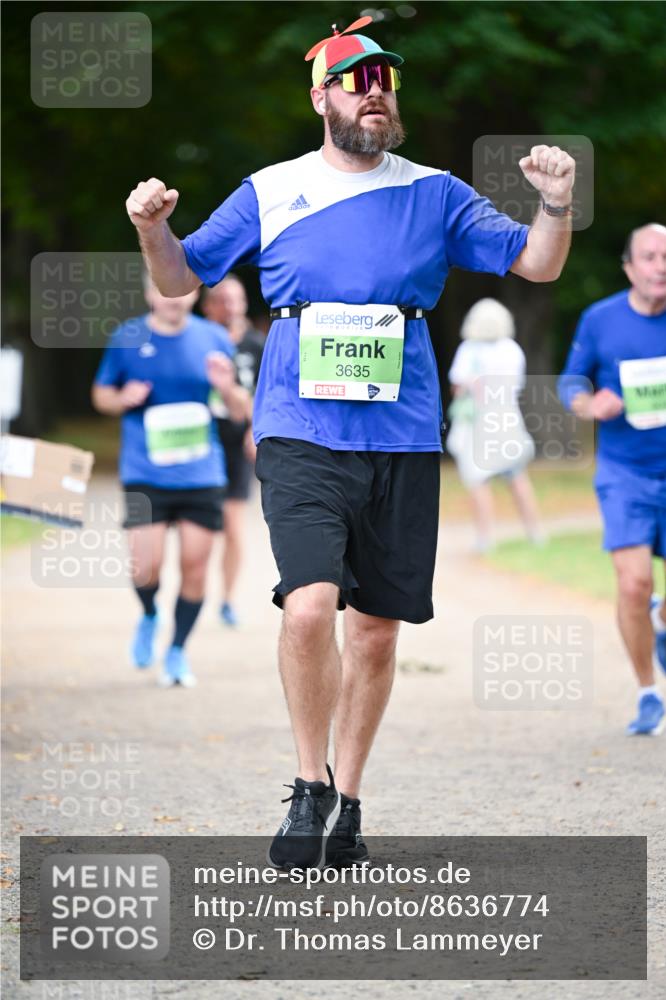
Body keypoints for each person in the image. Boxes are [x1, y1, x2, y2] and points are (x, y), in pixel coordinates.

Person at [125, 17, 575, 869]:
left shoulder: (435, 191)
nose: (373, 92)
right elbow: (182, 275)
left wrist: (554, 202)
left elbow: (537, 265)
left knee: (374, 630)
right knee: (306, 605)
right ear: (320, 96)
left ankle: (351, 799)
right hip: (300, 428)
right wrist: (152, 227)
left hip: (401, 436)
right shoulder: (270, 188)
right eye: (355, 80)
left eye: (383, 81)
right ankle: (306, 786)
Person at [92, 278, 250, 687]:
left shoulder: (214, 338)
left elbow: (239, 409)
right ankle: (148, 615)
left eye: (180, 290)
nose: (172, 298)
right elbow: (100, 395)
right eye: (162, 290)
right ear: (148, 293)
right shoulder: (127, 336)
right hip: (146, 471)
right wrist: (121, 397)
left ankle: (177, 650)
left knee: (195, 569)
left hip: (201, 474)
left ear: (194, 294)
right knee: (145, 567)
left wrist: (225, 387)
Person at [559, 223, 666, 736]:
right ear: (629, 267)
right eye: (649, 256)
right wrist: (589, 404)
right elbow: (570, 383)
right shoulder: (600, 319)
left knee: (654, 599)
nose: (660, 265)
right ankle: (648, 691)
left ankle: (661, 621)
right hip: (626, 473)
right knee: (634, 582)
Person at [446, 298, 543, 552]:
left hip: (477, 424)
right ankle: (535, 532)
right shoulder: (512, 349)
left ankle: (486, 538)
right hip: (506, 420)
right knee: (517, 478)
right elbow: (517, 386)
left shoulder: (469, 349)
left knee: (478, 481)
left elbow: (457, 385)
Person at [201, 275, 265, 627]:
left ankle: (227, 598)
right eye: (223, 300)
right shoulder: (197, 340)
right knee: (199, 525)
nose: (231, 307)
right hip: (200, 439)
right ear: (207, 306)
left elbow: (271, 392)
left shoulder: (257, 344)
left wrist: (256, 428)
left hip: (239, 440)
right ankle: (191, 591)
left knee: (233, 526)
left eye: (237, 299)